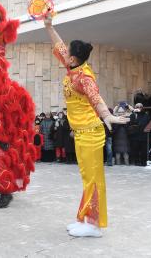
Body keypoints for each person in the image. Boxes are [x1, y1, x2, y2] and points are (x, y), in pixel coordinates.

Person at [44, 15, 129, 237]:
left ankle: (94, 225)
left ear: (73, 59)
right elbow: (58, 45)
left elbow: (95, 97)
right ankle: (84, 218)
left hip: (91, 132)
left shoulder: (84, 77)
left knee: (93, 178)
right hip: (81, 133)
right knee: (86, 177)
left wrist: (106, 116)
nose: (64, 53)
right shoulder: (72, 68)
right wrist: (49, 25)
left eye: (68, 53)